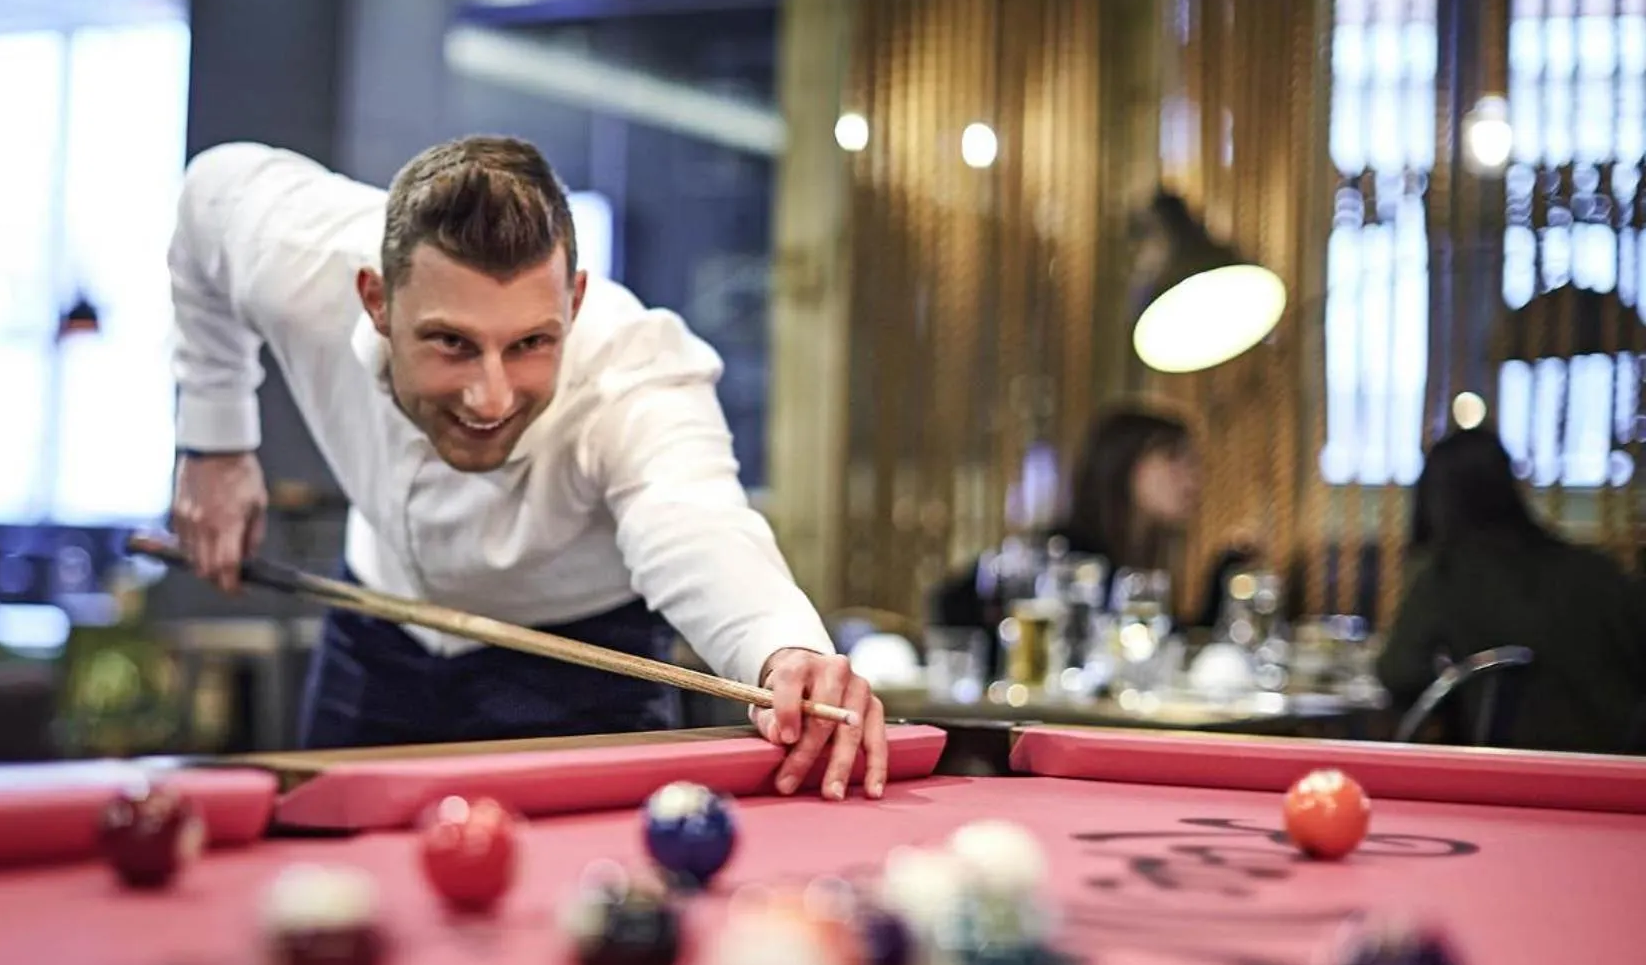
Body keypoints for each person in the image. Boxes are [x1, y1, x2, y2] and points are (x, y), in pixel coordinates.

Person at [167, 136, 887, 798]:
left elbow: (695, 521)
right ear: (377, 300)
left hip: (578, 666)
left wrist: (783, 650)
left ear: (572, 302)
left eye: (530, 343)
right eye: (451, 342)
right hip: (376, 635)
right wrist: (215, 441)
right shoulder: (301, 256)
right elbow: (208, 195)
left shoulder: (634, 372)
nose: (491, 395)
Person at [1377, 427, 1646, 753]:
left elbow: (1398, 673)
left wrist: (1455, 688)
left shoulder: (1447, 574)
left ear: (1434, 497)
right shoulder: (1597, 568)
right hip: (1625, 766)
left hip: (1515, 767)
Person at [931, 405, 1252, 633]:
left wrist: (1225, 575)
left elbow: (1161, 646)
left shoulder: (1131, 561)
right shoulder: (1066, 555)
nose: (1192, 479)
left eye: (1193, 463)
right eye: (1173, 459)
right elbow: (952, 600)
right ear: (1122, 465)